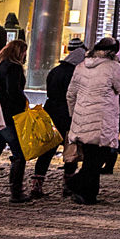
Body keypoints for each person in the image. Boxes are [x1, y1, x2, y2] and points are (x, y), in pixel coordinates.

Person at [65, 37, 120, 204]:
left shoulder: (81, 66)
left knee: (91, 157)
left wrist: (75, 115)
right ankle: (75, 184)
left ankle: (88, 195)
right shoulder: (112, 67)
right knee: (98, 158)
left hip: (82, 119)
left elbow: (70, 94)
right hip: (101, 120)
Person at [39, 38, 83, 200]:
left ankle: (37, 185)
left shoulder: (55, 71)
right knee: (71, 152)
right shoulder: (76, 74)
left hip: (51, 113)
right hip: (69, 116)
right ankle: (68, 187)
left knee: (47, 151)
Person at [0, 39, 35, 205]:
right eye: (24, 52)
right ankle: (16, 192)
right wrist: (22, 106)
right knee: (19, 154)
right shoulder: (14, 67)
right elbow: (14, 92)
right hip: (10, 118)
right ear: (20, 52)